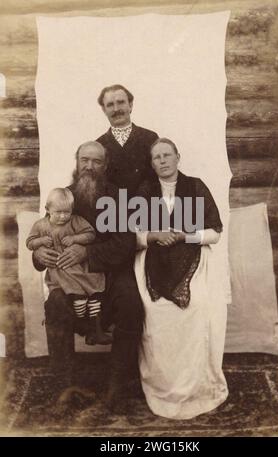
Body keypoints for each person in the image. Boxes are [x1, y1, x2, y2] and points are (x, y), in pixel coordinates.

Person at [32, 141, 139, 413]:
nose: (89, 167)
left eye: (96, 161)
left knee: (131, 303)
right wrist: (39, 256)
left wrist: (86, 252)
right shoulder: (62, 197)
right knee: (55, 303)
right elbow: (42, 234)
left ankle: (117, 386)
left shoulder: (118, 198)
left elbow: (125, 245)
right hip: (69, 278)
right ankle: (64, 387)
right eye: (84, 160)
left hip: (111, 275)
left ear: (105, 166)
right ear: (76, 162)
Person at [134, 138, 228, 419]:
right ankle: (163, 385)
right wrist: (154, 235)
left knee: (198, 305)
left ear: (177, 157)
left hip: (193, 260)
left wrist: (185, 236)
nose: (162, 161)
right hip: (153, 260)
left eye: (166, 155)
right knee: (153, 309)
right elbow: (132, 235)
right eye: (156, 158)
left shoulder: (196, 187)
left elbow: (215, 232)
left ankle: (198, 385)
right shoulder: (145, 190)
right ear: (152, 164)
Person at [26, 187, 112, 346]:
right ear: (47, 209)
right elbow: (29, 242)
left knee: (95, 298)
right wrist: (40, 243)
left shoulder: (76, 221)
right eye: (58, 212)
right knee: (77, 300)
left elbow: (90, 234)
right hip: (61, 272)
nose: (63, 216)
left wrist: (75, 238)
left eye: (67, 212)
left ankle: (95, 331)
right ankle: (82, 325)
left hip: (80, 269)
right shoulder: (41, 226)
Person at [96, 84, 158, 197]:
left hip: (146, 208)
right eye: (110, 105)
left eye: (121, 102)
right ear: (104, 110)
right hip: (111, 210)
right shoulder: (98, 145)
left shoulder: (150, 138)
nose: (116, 109)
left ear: (130, 105)